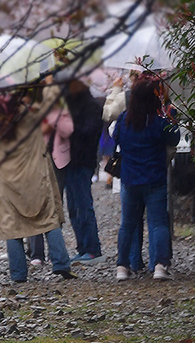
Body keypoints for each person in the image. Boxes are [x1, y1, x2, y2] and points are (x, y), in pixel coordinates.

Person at [0, 80, 73, 283]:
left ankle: (18, 273)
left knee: (12, 226)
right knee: (47, 218)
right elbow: (54, 105)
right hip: (36, 175)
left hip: (8, 180)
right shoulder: (32, 114)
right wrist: (50, 84)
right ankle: (60, 264)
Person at [113, 75, 180, 281]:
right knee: (158, 223)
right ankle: (160, 265)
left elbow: (115, 137)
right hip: (154, 178)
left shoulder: (124, 120)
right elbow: (174, 138)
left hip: (130, 179)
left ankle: (122, 267)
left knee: (128, 224)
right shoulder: (158, 122)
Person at [59, 77, 106, 260]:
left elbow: (90, 132)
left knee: (83, 205)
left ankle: (92, 247)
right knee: (73, 207)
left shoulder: (91, 107)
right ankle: (83, 247)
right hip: (70, 160)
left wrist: (69, 128)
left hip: (83, 160)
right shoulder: (71, 105)